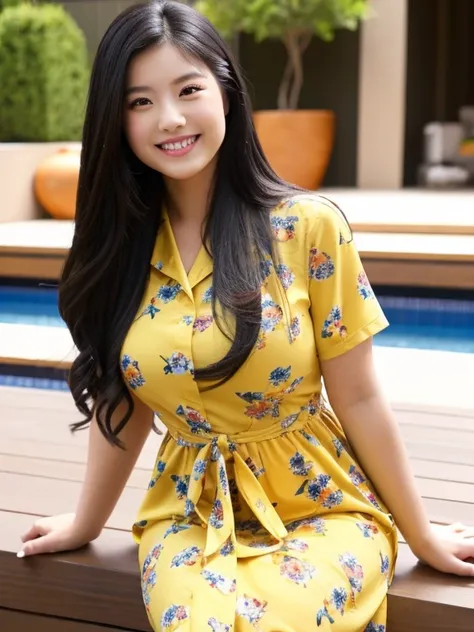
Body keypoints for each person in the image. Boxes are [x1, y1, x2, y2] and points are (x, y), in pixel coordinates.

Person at [18, 1, 474, 630]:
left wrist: (420, 536)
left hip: (319, 507)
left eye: (188, 90)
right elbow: (121, 397)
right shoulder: (121, 246)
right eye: (140, 101)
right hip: (190, 515)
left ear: (226, 94)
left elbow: (361, 398)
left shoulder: (308, 228)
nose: (170, 118)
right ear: (115, 120)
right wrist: (87, 522)